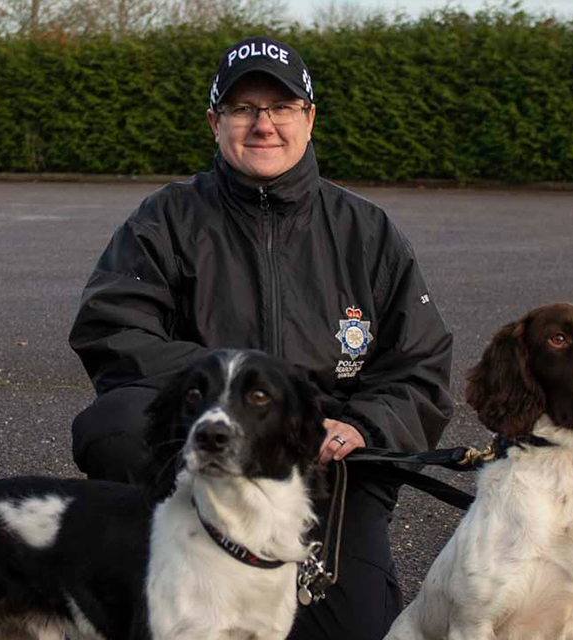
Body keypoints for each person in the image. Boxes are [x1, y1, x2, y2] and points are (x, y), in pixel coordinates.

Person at [68, 35, 453, 639]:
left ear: (309, 118)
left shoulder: (367, 231)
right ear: (214, 121)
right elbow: (113, 328)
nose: (263, 125)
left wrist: (364, 425)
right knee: (112, 424)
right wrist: (234, 398)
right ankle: (158, 578)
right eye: (244, 109)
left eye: (281, 108)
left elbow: (421, 364)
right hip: (201, 464)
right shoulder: (166, 218)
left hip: (322, 465)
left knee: (347, 629)